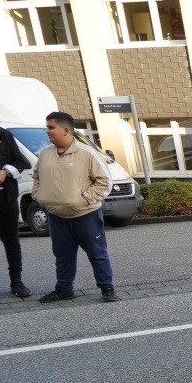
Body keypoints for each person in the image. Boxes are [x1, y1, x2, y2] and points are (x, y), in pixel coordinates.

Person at [33, 111, 119, 303]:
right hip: (57, 216)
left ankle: (107, 288)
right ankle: (64, 289)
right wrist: (39, 196)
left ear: (65, 130)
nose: (47, 131)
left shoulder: (87, 153)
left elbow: (105, 182)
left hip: (85, 214)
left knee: (97, 254)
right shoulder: (45, 154)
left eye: (50, 127)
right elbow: (36, 177)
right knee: (62, 255)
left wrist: (84, 199)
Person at [0, 97, 33, 300]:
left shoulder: (4, 135)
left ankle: (17, 282)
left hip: (6, 198)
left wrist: (5, 172)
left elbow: (22, 161)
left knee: (11, 240)